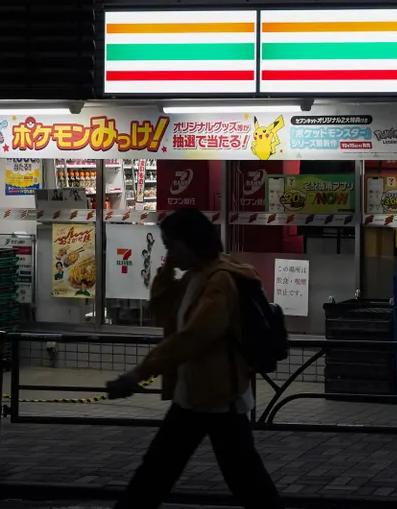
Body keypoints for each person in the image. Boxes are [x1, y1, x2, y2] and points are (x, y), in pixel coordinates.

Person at [106, 208, 282, 509]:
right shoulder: (196, 276)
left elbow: (192, 337)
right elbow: (164, 313)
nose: (169, 251)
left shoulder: (220, 281)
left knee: (162, 472)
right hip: (200, 394)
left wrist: (139, 373)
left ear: (191, 242)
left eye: (172, 245)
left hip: (216, 395)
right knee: (164, 471)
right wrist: (167, 269)